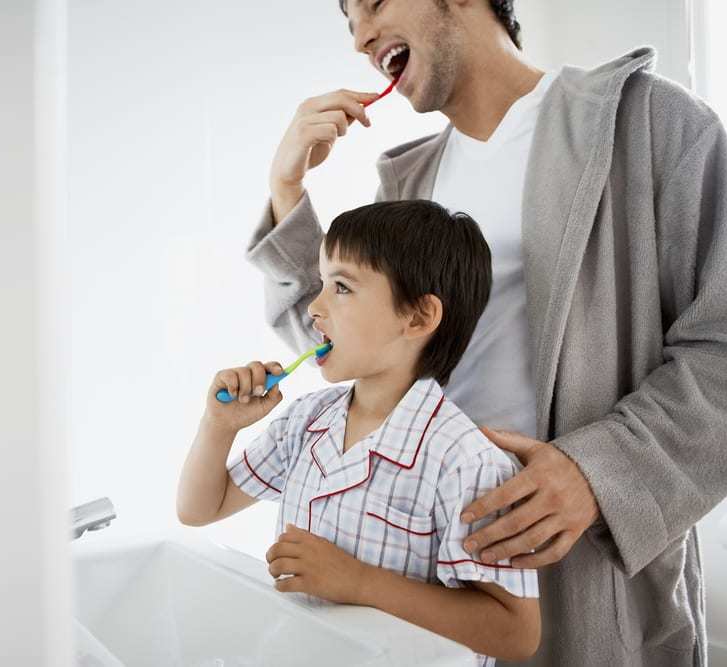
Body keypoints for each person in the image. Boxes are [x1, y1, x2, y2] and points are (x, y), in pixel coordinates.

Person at [243, 0, 727, 665]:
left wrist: (597, 473)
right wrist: (286, 187)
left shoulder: (654, 123)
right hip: (423, 588)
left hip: (583, 579)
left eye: (374, 3)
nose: (360, 38)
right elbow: (347, 349)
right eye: (349, 22)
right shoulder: (405, 187)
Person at [178, 200, 541, 664]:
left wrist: (360, 582)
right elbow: (199, 509)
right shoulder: (307, 421)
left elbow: (516, 632)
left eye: (342, 287)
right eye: (322, 284)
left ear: (417, 317)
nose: (314, 308)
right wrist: (218, 426)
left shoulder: (466, 462)